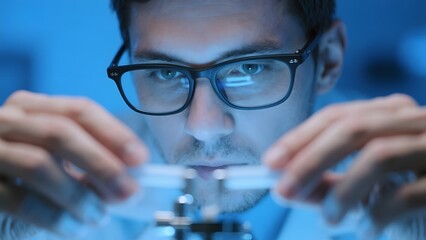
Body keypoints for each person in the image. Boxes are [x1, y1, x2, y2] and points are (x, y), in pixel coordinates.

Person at [1, 0, 426, 239]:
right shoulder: (52, 188)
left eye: (249, 69)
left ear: (329, 60)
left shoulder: (407, 188)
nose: (201, 125)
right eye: (165, 73)